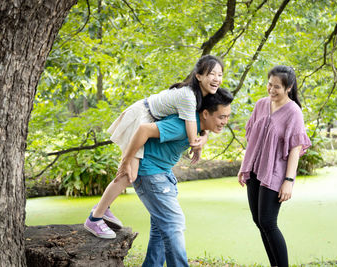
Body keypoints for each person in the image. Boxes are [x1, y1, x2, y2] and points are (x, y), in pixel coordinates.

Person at [84, 55, 224, 238]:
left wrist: (204, 137)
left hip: (147, 120)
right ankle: (94, 219)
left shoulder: (200, 95)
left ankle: (103, 208)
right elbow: (192, 136)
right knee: (128, 173)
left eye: (220, 74)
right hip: (141, 117)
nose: (217, 79)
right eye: (211, 74)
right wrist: (198, 144)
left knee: (130, 174)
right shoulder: (189, 96)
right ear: (198, 76)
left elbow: (200, 126)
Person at [124, 88, 233, 267]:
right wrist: (126, 161)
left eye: (227, 117)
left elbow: (202, 130)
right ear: (205, 113)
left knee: (161, 228)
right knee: (174, 223)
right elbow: (144, 129)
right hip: (150, 173)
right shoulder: (182, 126)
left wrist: (203, 138)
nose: (225, 122)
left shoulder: (197, 125)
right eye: (222, 117)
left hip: (162, 173)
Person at [238, 65, 311, 267]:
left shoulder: (294, 112)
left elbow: (295, 149)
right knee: (259, 221)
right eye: (269, 84)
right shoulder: (261, 104)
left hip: (276, 173)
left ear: (288, 88)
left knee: (269, 222)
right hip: (254, 170)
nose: (271, 90)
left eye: (276, 87)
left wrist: (289, 181)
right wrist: (244, 166)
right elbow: (252, 137)